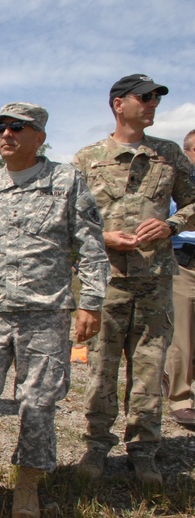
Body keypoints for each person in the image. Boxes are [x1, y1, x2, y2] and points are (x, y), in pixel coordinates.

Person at [0, 103, 108, 518]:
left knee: (37, 403)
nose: (6, 134)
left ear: (39, 136)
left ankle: (28, 484)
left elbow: (90, 246)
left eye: (18, 127)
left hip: (45, 311)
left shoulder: (67, 181)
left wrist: (91, 302)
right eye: (0, 127)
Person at [73, 74, 195, 484]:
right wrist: (102, 236)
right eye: (144, 98)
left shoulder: (168, 154)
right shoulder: (88, 158)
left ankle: (144, 450)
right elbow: (70, 217)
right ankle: (96, 446)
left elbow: (194, 201)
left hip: (155, 278)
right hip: (106, 279)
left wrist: (172, 225)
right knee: (102, 367)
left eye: (156, 98)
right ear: (118, 104)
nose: (152, 104)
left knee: (148, 366)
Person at [164, 129, 195, 427]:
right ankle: (181, 398)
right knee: (182, 334)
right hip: (184, 261)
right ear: (187, 152)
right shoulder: (176, 184)